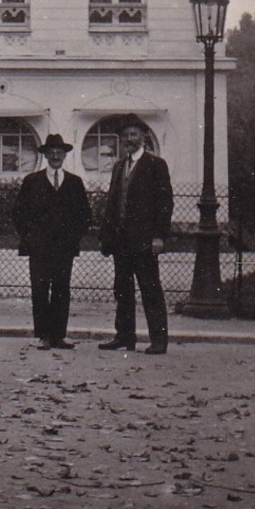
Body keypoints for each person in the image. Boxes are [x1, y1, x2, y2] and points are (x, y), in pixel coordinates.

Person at [98, 118, 174, 354]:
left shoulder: (155, 165)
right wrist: (106, 235)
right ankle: (124, 336)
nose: (129, 140)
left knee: (150, 289)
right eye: (125, 136)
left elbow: (164, 204)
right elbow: (113, 202)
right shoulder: (120, 166)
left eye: (133, 134)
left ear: (143, 136)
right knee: (122, 289)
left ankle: (159, 340)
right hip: (121, 240)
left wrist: (159, 236)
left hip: (144, 241)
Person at [12, 133, 92, 350]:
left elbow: (85, 215)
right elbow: (19, 213)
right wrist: (29, 237)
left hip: (64, 248)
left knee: (61, 289)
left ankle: (58, 335)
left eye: (60, 152)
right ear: (45, 155)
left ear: (65, 155)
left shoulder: (74, 183)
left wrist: (72, 237)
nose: (56, 155)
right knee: (39, 289)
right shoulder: (32, 181)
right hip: (39, 247)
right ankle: (44, 335)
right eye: (52, 152)